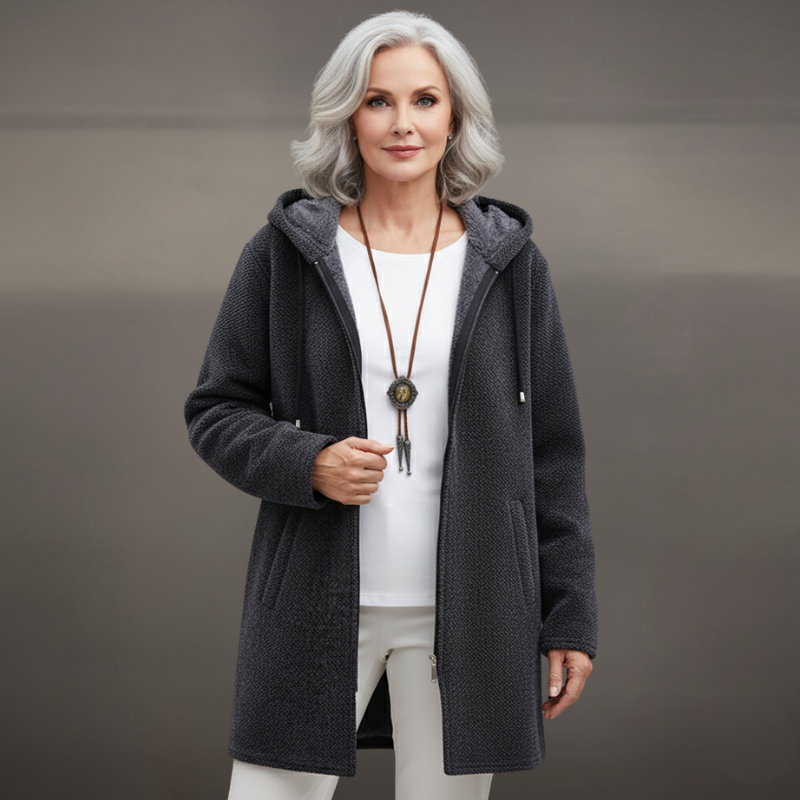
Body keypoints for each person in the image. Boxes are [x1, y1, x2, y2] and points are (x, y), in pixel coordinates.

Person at [183, 10, 598, 800]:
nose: (403, 123)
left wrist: (569, 615)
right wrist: (308, 461)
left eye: (424, 100)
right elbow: (216, 409)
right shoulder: (284, 255)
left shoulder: (512, 266)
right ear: (347, 116)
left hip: (473, 610)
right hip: (314, 598)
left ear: (456, 117)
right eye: (378, 101)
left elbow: (553, 454)